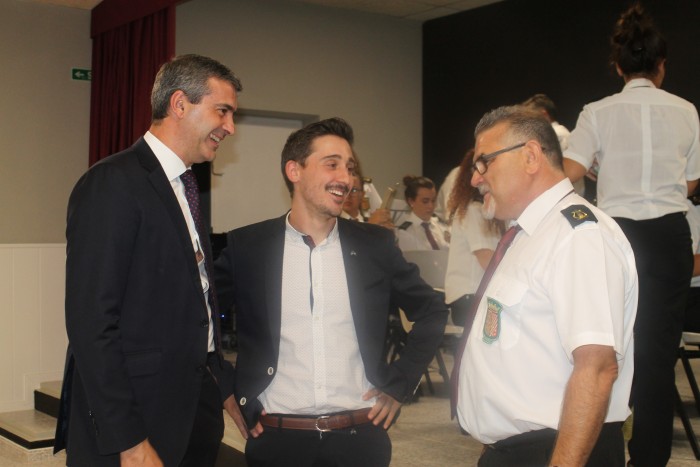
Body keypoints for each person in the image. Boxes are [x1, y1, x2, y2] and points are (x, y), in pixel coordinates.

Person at [213, 117, 448, 467]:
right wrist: (226, 388)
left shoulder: (374, 246)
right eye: (332, 164)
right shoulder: (250, 246)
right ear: (294, 170)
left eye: (349, 167)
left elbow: (432, 310)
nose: (346, 179)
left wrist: (400, 383)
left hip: (360, 439)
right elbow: (197, 316)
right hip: (276, 441)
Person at [53, 55, 243, 467]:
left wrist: (222, 387)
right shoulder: (111, 183)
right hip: (136, 422)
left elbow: (196, 300)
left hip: (192, 411)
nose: (230, 127)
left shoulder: (188, 187)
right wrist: (129, 439)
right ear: (179, 104)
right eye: (223, 111)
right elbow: (92, 323)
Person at [455, 105, 638, 466]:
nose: (475, 178)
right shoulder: (527, 235)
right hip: (520, 451)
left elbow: (597, 368)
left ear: (530, 156)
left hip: (559, 451)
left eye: (484, 162)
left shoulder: (578, 236)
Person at [563, 5, 700, 464]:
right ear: (661, 67)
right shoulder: (686, 111)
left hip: (615, 238)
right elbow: (691, 182)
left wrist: (607, 176)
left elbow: (569, 173)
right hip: (668, 239)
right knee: (658, 362)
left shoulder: (597, 112)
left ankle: (601, 455)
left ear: (619, 67)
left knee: (603, 351)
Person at [444, 149, 503, 326]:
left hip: (474, 296)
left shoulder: (486, 212)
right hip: (469, 297)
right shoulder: (473, 210)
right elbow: (486, 259)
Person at [396, 175, 450, 251]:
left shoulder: (442, 226)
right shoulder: (404, 233)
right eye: (425, 201)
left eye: (433, 200)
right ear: (411, 201)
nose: (431, 206)